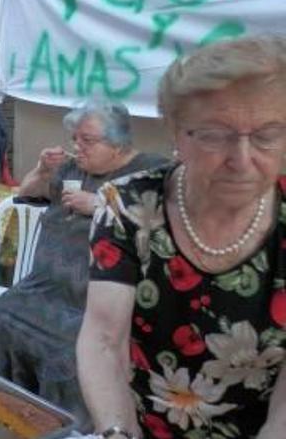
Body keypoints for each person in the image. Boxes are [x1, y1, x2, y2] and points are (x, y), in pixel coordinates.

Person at [77, 37, 286, 439]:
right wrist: (118, 432)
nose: (241, 160)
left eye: (266, 135)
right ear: (176, 133)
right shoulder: (129, 207)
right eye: (214, 135)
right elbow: (104, 339)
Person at [0, 100, 166, 429]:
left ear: (118, 142)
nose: (77, 148)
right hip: (42, 289)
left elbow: (161, 225)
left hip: (89, 302)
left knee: (67, 350)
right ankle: (8, 410)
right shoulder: (71, 169)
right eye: (75, 139)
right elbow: (23, 193)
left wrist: (100, 206)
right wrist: (42, 170)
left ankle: (62, 427)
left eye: (87, 141)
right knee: (5, 310)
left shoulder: (147, 173)